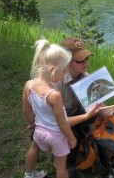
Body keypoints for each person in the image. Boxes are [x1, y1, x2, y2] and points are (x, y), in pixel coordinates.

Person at [53, 37, 114, 178]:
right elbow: (55, 120)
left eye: (86, 58)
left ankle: (97, 154)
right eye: (80, 61)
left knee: (105, 121)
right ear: (66, 62)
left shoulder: (86, 77)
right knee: (68, 136)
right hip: (59, 121)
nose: (86, 63)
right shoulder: (56, 82)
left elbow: (99, 107)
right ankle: (68, 164)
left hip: (76, 115)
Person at [22, 39, 77, 178]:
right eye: (64, 70)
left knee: (34, 148)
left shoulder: (29, 85)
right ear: (53, 69)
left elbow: (26, 110)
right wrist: (71, 138)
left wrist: (32, 123)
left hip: (39, 131)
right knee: (60, 167)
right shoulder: (54, 95)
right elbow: (62, 122)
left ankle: (29, 174)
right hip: (56, 136)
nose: (65, 74)